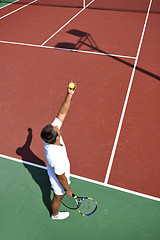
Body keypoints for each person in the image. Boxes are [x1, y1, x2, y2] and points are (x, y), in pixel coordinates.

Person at [40, 84, 76, 220]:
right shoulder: (56, 158)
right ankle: (54, 214)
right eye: (55, 127)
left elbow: (61, 114)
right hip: (59, 179)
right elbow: (61, 177)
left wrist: (69, 94)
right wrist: (67, 189)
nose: (56, 125)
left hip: (58, 171)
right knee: (58, 197)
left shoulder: (49, 136)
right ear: (57, 137)